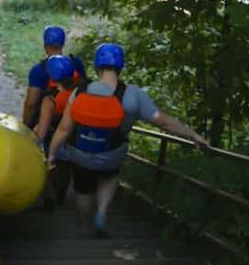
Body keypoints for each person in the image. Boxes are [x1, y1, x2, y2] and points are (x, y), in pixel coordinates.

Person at [47, 42, 208, 237]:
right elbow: (163, 122)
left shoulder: (80, 91)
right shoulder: (134, 95)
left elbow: (65, 128)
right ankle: (102, 213)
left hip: (80, 154)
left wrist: (52, 153)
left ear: (97, 66)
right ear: (121, 67)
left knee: (83, 189)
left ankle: (83, 225)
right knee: (110, 176)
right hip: (111, 155)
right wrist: (192, 134)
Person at [32, 54, 78, 208]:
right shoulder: (79, 93)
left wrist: (34, 135)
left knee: (47, 164)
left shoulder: (49, 100)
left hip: (53, 139)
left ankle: (48, 194)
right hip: (72, 139)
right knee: (66, 168)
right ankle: (61, 193)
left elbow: (42, 132)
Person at [22, 25, 87, 130]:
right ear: (62, 44)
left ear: (45, 46)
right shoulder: (76, 63)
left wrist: (25, 127)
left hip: (46, 123)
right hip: (73, 120)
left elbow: (31, 104)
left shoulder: (38, 71)